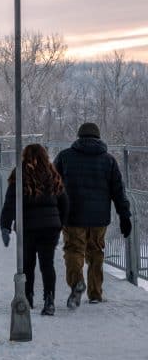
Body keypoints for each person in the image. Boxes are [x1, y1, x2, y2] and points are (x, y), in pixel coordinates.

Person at [53, 122, 132, 308]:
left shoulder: (64, 157)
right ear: (98, 138)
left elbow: (53, 187)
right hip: (99, 219)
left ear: (79, 137)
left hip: (72, 217)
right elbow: (118, 191)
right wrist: (124, 216)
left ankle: (77, 284)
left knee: (73, 250)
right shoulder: (109, 160)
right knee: (96, 252)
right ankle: (95, 293)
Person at [0, 144, 69, 316]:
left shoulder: (20, 174)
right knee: (47, 264)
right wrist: (61, 223)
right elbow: (64, 202)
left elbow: (10, 203)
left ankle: (27, 297)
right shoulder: (52, 174)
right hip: (50, 228)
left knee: (27, 264)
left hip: (27, 227)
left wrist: (5, 226)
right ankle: (49, 300)